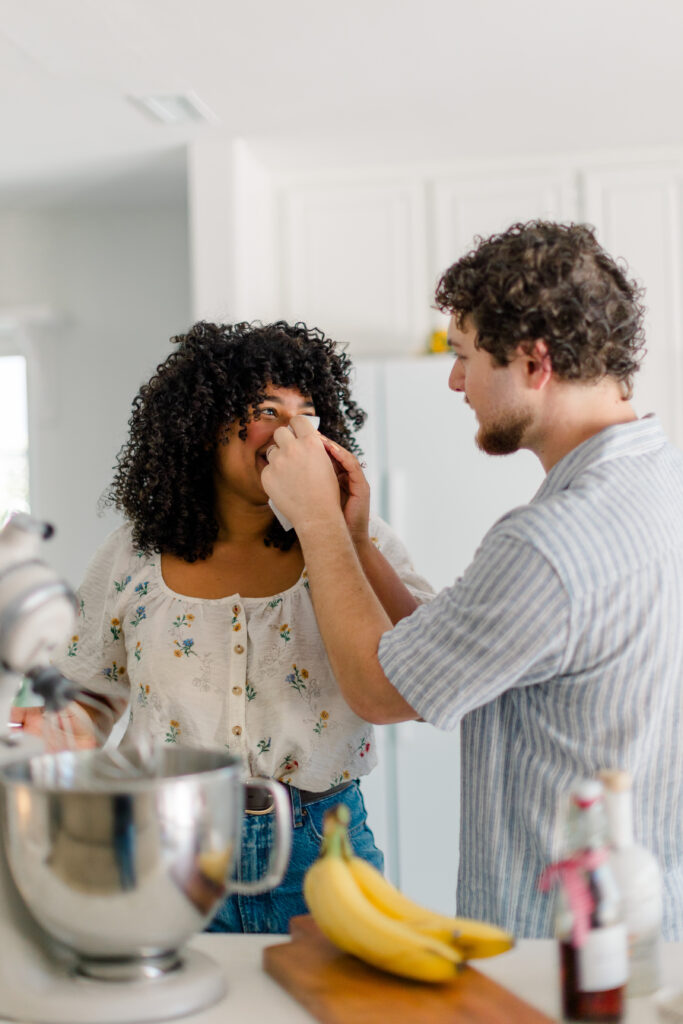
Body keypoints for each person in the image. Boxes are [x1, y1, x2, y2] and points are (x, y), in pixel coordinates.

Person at [260, 221, 683, 941]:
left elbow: (382, 690)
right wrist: (359, 545)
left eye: (463, 356)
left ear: (533, 360)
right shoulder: (658, 480)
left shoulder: (551, 543)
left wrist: (318, 525)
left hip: (557, 949)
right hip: (648, 920)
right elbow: (432, 661)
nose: (455, 381)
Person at [13, 319, 434, 934]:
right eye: (267, 409)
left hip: (322, 848)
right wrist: (45, 735)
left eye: (308, 411)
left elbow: (428, 663)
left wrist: (348, 536)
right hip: (165, 844)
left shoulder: (354, 543)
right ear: (206, 424)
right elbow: (88, 693)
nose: (295, 431)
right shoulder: (133, 552)